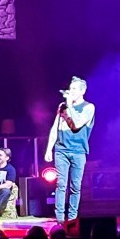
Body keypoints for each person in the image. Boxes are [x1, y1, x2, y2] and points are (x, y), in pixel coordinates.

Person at [44, 76, 96, 225]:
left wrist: (69, 105)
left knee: (75, 186)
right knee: (61, 185)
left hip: (79, 151)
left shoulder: (89, 107)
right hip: (61, 150)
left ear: (82, 91)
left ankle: (72, 218)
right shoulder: (62, 106)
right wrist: (49, 149)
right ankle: (60, 219)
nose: (71, 91)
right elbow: (55, 127)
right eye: (70, 88)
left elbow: (77, 124)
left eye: (74, 89)